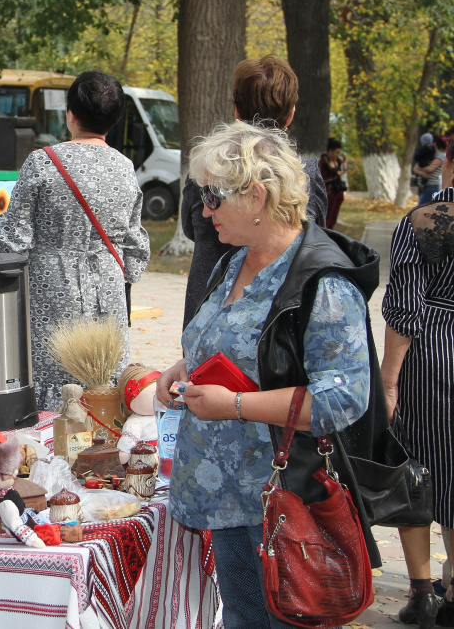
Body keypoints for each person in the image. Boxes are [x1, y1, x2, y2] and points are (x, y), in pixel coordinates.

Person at [156, 121, 380, 629]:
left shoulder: (322, 284)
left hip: (277, 502)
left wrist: (234, 406)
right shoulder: (234, 262)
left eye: (212, 197)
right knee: (241, 615)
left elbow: (343, 399)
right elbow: (234, 342)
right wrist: (184, 367)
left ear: (257, 196)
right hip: (230, 500)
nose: (202, 210)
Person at [0, 70, 150, 411]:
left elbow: (12, 237)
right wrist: (121, 274)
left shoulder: (42, 161)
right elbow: (135, 245)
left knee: (54, 373)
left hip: (51, 286)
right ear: (114, 119)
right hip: (108, 285)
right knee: (102, 372)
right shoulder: (125, 167)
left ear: (70, 114)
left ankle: (54, 444)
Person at [181, 55, 328, 328]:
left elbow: (190, 229)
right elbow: (315, 237)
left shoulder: (209, 170)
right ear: (291, 113)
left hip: (226, 311)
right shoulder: (305, 174)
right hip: (267, 311)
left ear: (236, 110)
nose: (208, 207)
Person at [381, 185, 454, 627]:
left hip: (434, 353)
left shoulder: (425, 219)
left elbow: (405, 308)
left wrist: (389, 382)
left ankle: (423, 593)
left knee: (417, 468)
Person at [319, 137, 347, 229]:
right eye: (336, 152)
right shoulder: (323, 163)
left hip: (337, 193)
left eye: (339, 153)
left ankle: (330, 229)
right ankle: (325, 230)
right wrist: (336, 175)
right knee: (327, 216)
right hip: (328, 194)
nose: (337, 155)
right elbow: (322, 178)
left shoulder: (338, 162)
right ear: (330, 151)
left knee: (333, 216)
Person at [415, 134, 446, 204]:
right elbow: (415, 169)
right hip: (422, 186)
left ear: (434, 143)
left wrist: (420, 168)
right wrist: (422, 172)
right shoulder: (425, 154)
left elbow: (430, 169)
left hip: (431, 187)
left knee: (421, 209)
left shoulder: (440, 156)